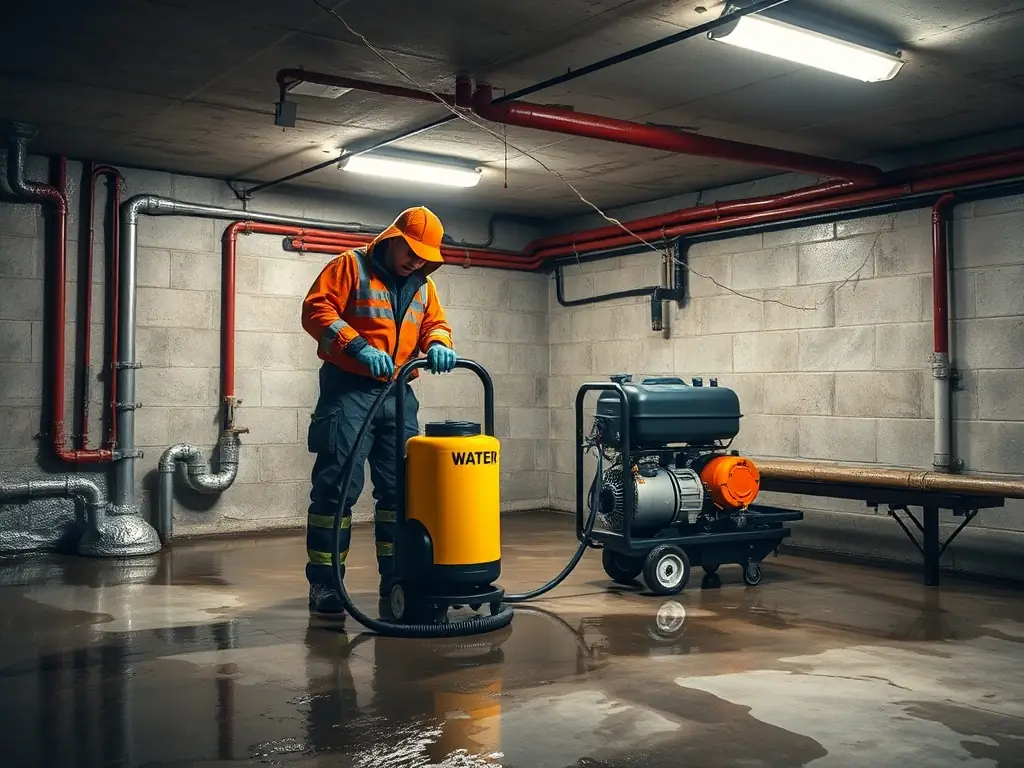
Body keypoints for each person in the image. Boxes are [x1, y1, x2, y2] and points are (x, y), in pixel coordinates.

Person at [300, 206, 458, 617]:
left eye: (425, 256)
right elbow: (317, 311)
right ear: (392, 240)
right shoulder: (349, 266)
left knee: (401, 494)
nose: (416, 261)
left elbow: (434, 324)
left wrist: (438, 343)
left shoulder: (424, 286)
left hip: (399, 395)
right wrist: (359, 348)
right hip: (349, 391)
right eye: (411, 251)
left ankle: (396, 578)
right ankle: (326, 586)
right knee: (337, 490)